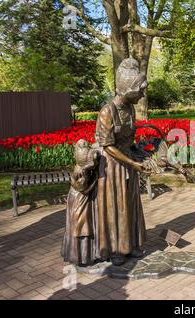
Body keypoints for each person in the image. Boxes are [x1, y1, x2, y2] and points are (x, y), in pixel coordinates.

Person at [94, 58, 151, 266]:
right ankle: (116, 248)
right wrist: (132, 163)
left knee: (131, 203)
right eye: (140, 91)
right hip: (111, 167)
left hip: (127, 163)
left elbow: (129, 140)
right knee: (116, 205)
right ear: (129, 89)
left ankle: (132, 243)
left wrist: (139, 153)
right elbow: (108, 146)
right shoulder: (107, 111)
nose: (142, 95)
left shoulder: (130, 109)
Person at [61, 140, 99, 266]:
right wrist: (95, 180)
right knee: (81, 227)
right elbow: (83, 188)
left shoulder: (80, 168)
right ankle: (82, 257)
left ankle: (81, 255)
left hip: (76, 198)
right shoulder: (81, 171)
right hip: (79, 200)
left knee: (78, 226)